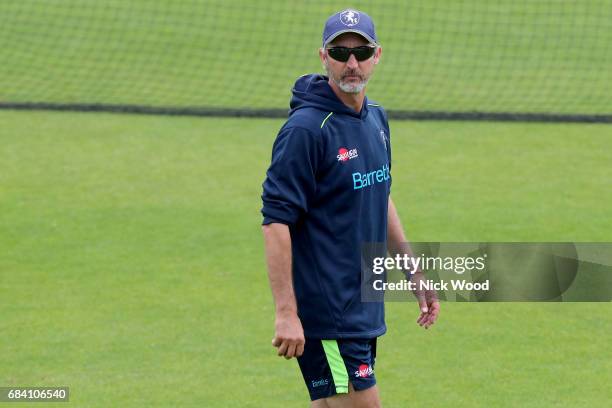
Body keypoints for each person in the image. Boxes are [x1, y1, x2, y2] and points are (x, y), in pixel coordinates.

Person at [261, 9, 440, 407]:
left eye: (362, 51)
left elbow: (379, 193)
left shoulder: (376, 119)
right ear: (323, 57)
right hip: (329, 316)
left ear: (378, 55)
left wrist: (414, 272)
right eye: (340, 52)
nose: (352, 63)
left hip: (361, 308)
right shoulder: (306, 131)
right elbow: (276, 223)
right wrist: (286, 313)